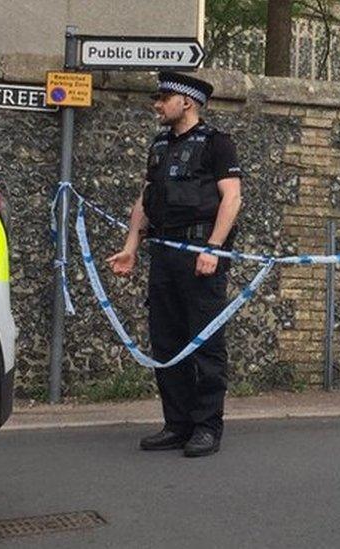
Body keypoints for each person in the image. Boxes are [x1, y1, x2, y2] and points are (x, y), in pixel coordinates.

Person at [107, 72, 243, 458]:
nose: (157, 104)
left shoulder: (217, 144)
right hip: (164, 254)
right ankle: (177, 423)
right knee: (167, 340)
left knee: (204, 342)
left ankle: (206, 426)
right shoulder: (160, 145)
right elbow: (145, 199)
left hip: (200, 251)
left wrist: (213, 248)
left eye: (163, 98)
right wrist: (131, 246)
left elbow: (232, 199)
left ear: (186, 102)